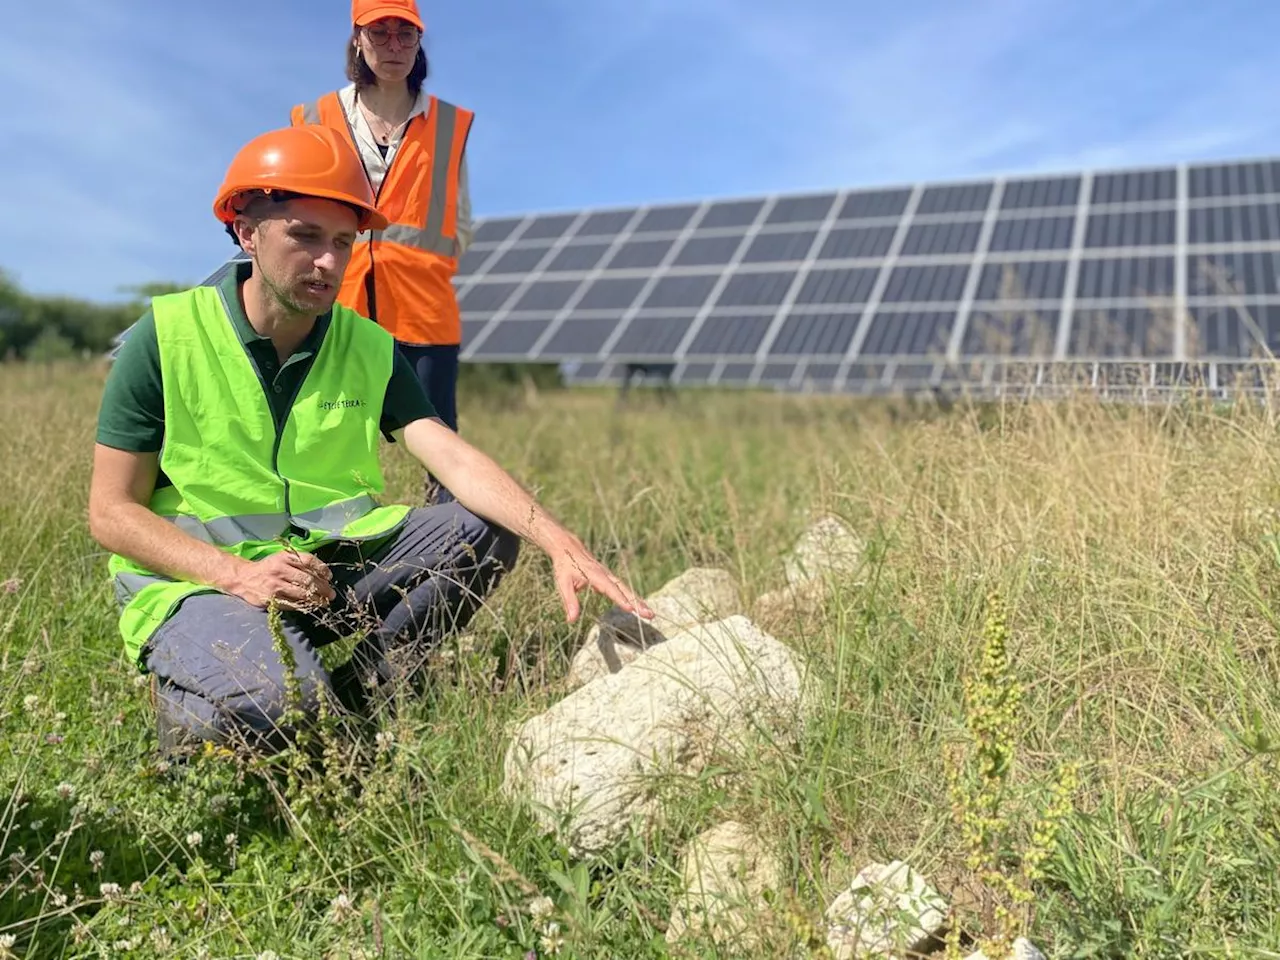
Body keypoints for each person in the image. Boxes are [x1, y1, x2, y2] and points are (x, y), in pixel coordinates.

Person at [88, 124, 652, 753]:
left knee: (484, 527)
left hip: (322, 569)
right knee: (285, 706)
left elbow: (446, 451)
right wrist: (235, 575)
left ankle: (362, 701)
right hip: (201, 583)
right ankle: (209, 706)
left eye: (342, 242)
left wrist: (556, 538)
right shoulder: (165, 336)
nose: (328, 262)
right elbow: (112, 513)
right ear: (247, 231)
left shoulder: (366, 344)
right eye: (304, 236)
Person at [290, 0, 472, 504]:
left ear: (419, 42)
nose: (393, 46)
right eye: (379, 32)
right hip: (336, 308)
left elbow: (460, 222)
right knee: (327, 443)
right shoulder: (314, 117)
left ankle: (451, 552)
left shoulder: (449, 125)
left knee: (442, 453)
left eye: (405, 34)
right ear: (357, 39)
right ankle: (338, 549)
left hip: (424, 310)